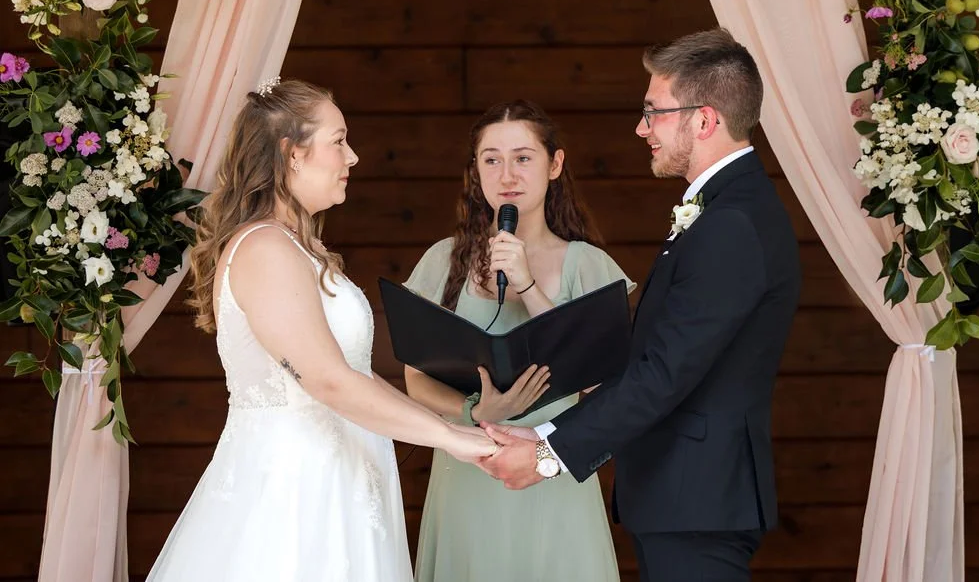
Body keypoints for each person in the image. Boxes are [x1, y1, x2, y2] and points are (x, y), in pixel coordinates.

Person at [479, 29, 802, 582]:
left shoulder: (732, 223)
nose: (641, 127)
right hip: (684, 496)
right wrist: (543, 435)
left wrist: (549, 455)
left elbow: (667, 371)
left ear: (703, 120)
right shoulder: (727, 209)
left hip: (699, 499)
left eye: (653, 112)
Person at [145, 78, 496, 582]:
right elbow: (327, 381)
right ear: (292, 154)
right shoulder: (265, 248)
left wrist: (458, 428)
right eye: (338, 141)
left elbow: (355, 375)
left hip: (339, 483)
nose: (352, 157)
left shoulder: (296, 247)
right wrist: (449, 440)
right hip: (293, 497)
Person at [402, 99, 635, 582]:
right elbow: (415, 377)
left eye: (523, 157)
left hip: (552, 476)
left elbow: (599, 384)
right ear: (476, 171)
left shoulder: (589, 265)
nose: (507, 173)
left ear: (555, 164)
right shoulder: (443, 261)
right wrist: (476, 414)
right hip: (467, 472)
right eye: (491, 159)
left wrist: (527, 285)